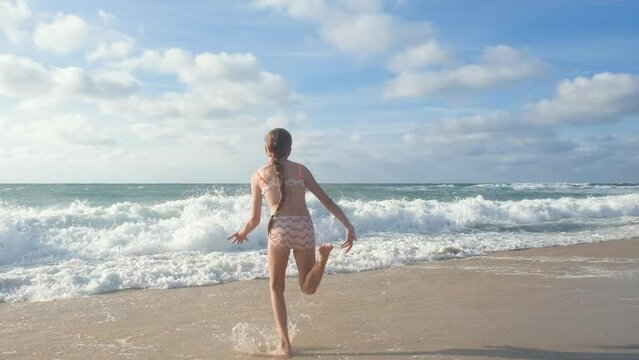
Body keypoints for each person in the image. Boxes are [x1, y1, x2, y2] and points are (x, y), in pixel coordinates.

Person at [228, 128, 356, 357]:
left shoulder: (258, 175)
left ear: (267, 149)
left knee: (277, 287)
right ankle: (322, 260)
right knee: (308, 288)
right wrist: (347, 224)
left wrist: (242, 232)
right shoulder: (300, 170)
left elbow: (255, 218)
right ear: (290, 149)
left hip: (280, 229)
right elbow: (325, 200)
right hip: (304, 227)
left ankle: (285, 345)